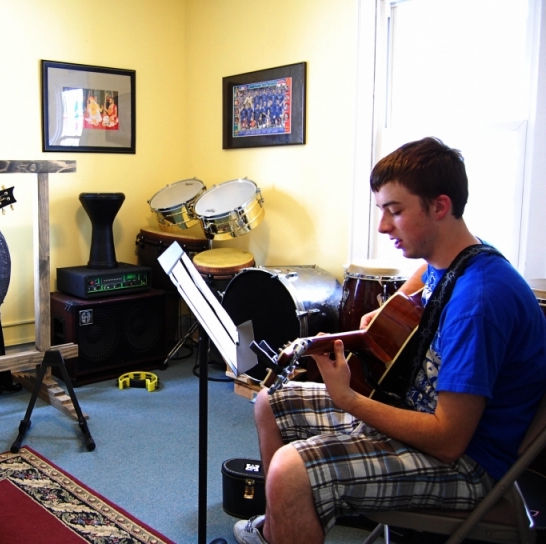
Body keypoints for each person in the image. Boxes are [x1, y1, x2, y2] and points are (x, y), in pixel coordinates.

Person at [233, 137, 546, 544]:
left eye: (395, 212)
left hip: (465, 465)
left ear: (440, 206)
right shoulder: (457, 256)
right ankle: (283, 526)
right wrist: (387, 311)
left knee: (291, 469)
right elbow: (424, 279)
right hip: (414, 418)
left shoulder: (480, 301)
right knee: (269, 403)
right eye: (382, 210)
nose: (383, 225)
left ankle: (287, 513)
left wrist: (349, 400)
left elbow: (449, 441)